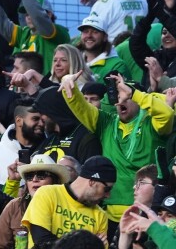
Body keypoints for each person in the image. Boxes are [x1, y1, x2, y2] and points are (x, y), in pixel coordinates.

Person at [59, 70, 173, 222]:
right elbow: (80, 106)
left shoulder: (152, 124)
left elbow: (167, 114)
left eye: (127, 97)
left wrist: (135, 94)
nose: (121, 101)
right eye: (118, 96)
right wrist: (68, 81)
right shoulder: (105, 123)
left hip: (146, 211)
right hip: (108, 211)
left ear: (138, 100)